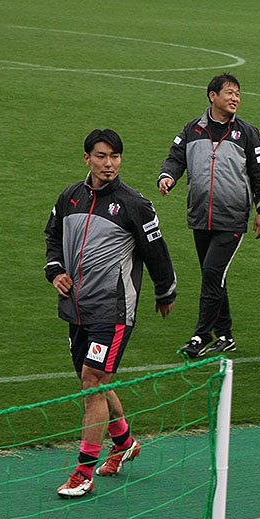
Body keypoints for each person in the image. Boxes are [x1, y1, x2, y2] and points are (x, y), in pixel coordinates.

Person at [45, 129, 178, 498]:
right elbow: (52, 236)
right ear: (86, 158)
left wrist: (165, 291)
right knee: (95, 383)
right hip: (76, 308)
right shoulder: (70, 197)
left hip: (113, 310)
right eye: (101, 156)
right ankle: (124, 443)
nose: (109, 164)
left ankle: (83, 472)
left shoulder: (135, 204)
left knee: (92, 382)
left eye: (115, 157)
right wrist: (55, 271)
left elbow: (157, 251)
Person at [159, 73, 260, 359]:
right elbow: (176, 157)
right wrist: (168, 176)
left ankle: (201, 336)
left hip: (232, 217)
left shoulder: (248, 133)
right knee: (214, 277)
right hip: (200, 215)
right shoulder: (192, 129)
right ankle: (225, 335)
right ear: (213, 96)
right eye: (230, 93)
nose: (235, 98)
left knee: (211, 273)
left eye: (238, 94)